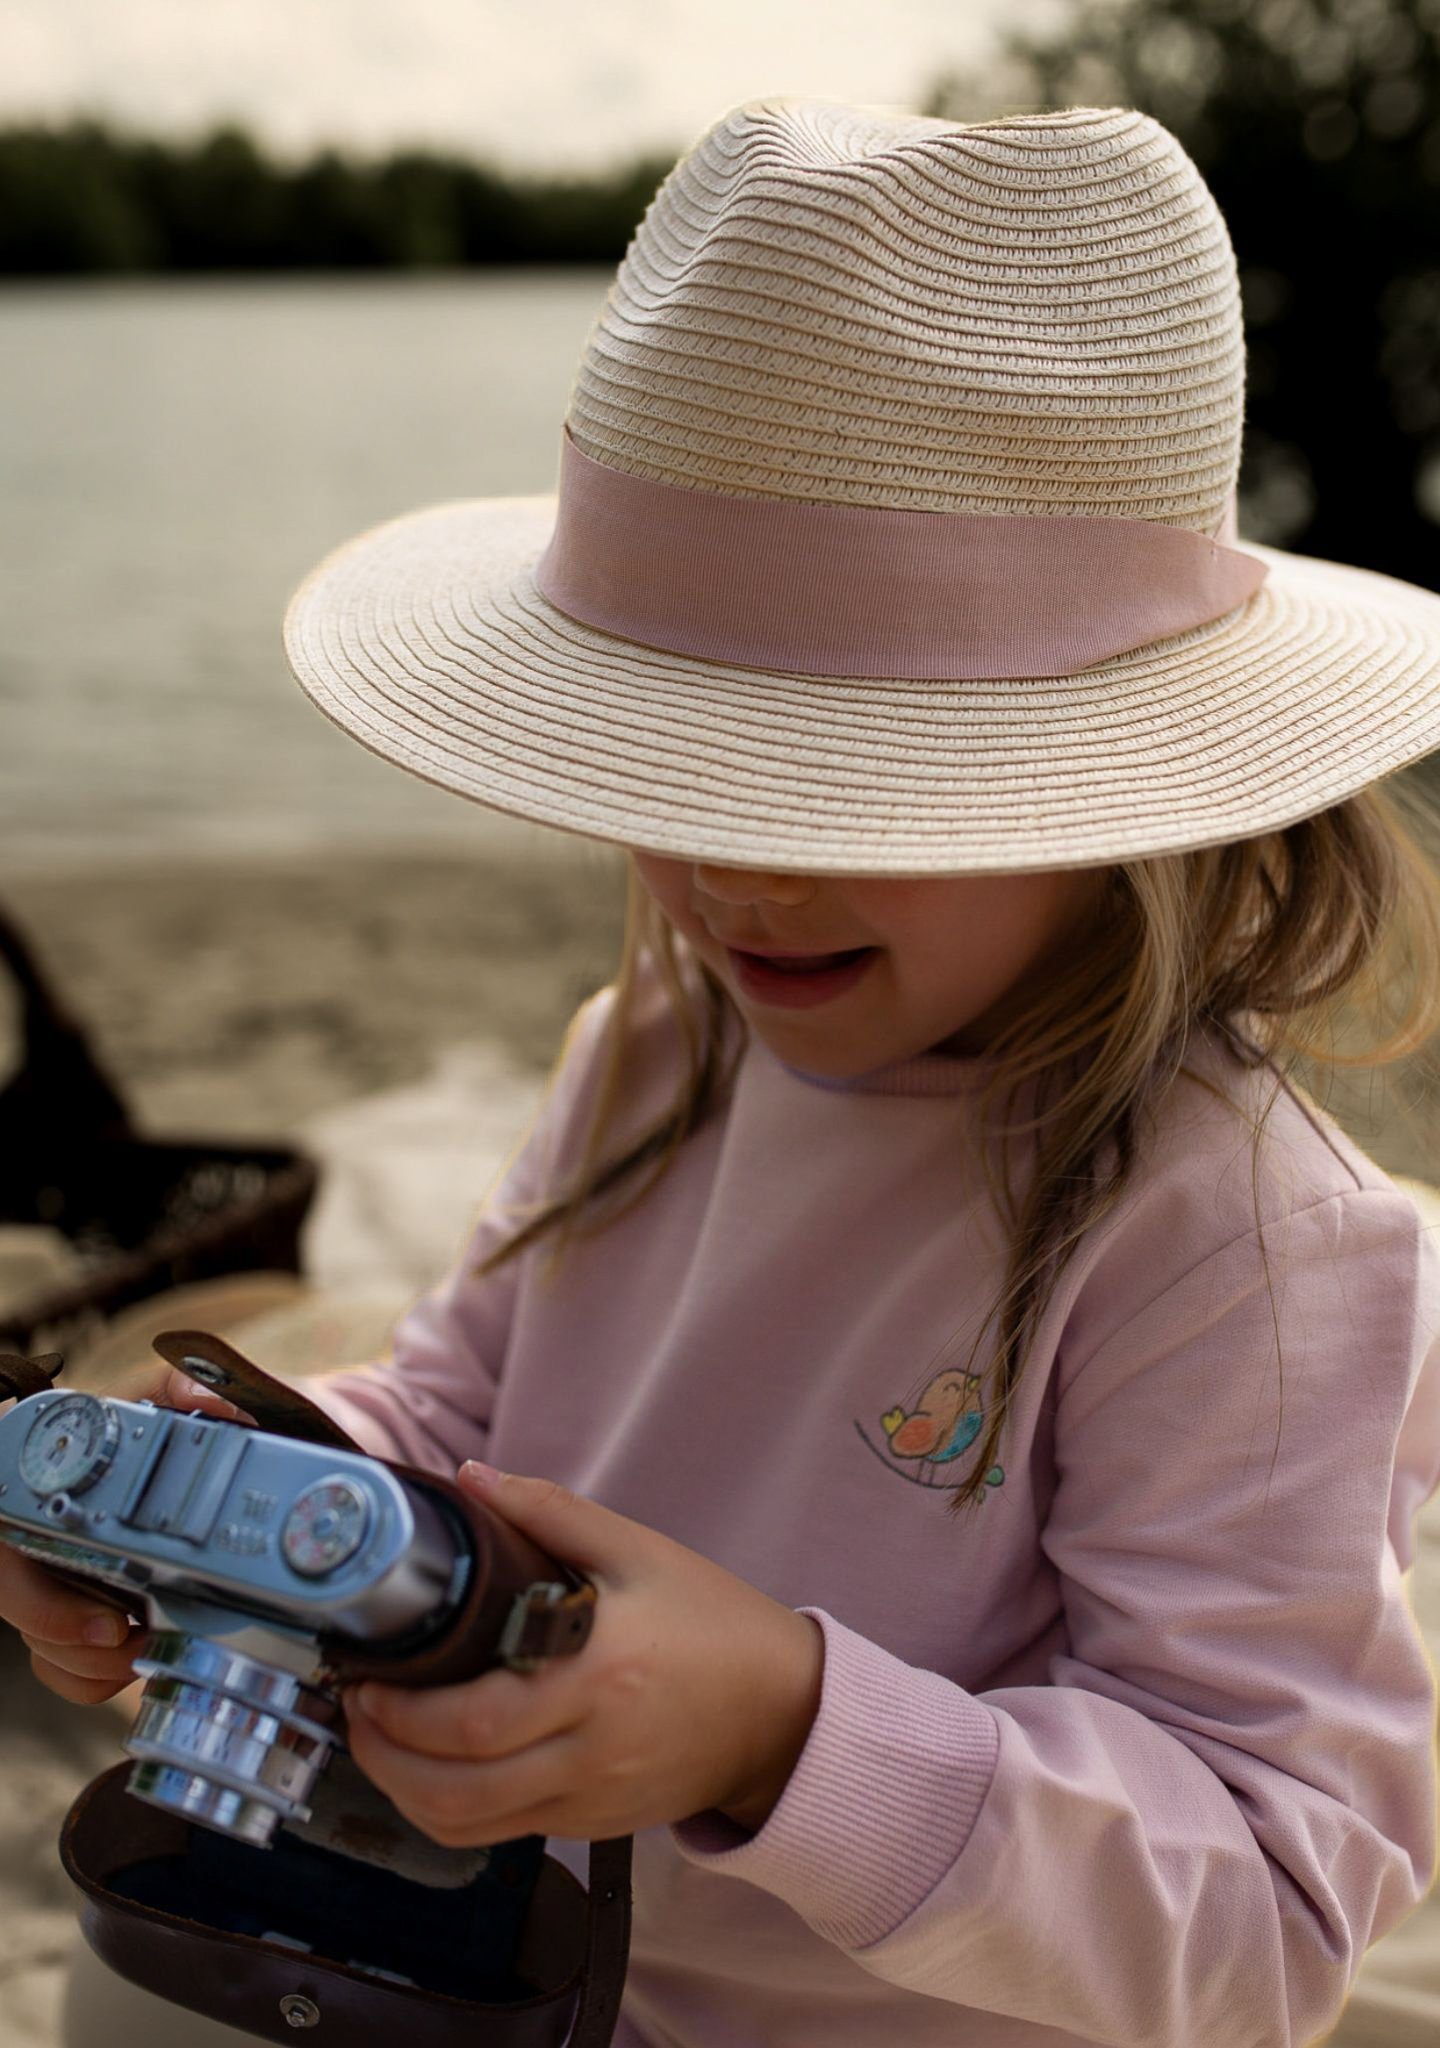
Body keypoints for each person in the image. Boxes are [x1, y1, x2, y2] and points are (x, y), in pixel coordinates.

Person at [15, 96, 1440, 2048]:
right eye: (675, 769)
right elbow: (463, 1402)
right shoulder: (661, 1058)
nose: (738, 867)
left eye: (849, 776)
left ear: (1132, 792)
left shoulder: (1246, 1245)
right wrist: (259, 1514)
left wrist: (785, 1723)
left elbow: (1270, 1911)